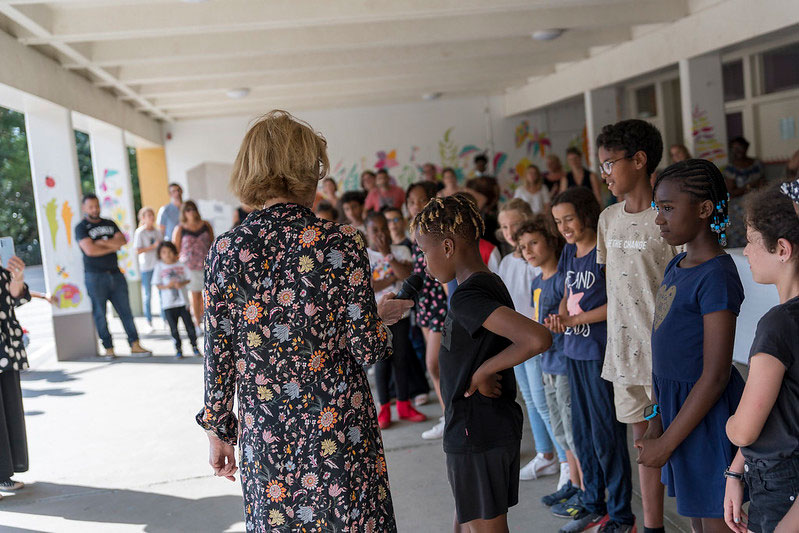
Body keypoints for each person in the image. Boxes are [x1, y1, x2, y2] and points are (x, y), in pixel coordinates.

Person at [197, 110, 413, 532]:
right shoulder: (343, 242)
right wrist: (379, 319)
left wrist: (218, 431)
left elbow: (218, 352)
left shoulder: (226, 250)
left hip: (268, 431)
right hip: (339, 426)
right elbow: (367, 346)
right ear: (306, 171)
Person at [411, 193, 552, 533]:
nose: (424, 263)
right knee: (469, 519)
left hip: (478, 430)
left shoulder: (469, 296)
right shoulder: (485, 283)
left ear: (447, 247)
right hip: (479, 429)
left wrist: (484, 370)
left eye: (423, 252)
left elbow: (537, 338)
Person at [638, 159, 745, 532]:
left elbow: (715, 375)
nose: (659, 219)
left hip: (706, 418)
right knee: (697, 521)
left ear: (703, 209)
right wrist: (656, 420)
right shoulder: (677, 264)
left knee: (717, 520)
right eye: (658, 209)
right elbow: (664, 356)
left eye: (667, 208)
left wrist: (667, 442)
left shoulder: (716, 274)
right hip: (677, 414)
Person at [595, 119, 681, 533]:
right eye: (602, 167)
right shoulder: (608, 219)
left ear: (640, 160)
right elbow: (615, 289)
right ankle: (652, 527)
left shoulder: (668, 219)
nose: (605, 174)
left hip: (666, 355)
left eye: (609, 164)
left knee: (678, 443)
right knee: (643, 447)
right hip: (624, 355)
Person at [547, 187, 635, 533]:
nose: (564, 227)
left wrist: (572, 321)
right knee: (582, 435)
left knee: (607, 437)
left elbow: (616, 303)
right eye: (558, 221)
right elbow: (567, 296)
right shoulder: (569, 251)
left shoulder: (604, 249)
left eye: (568, 218)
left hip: (599, 355)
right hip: (572, 352)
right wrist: (558, 317)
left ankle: (621, 514)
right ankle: (593, 504)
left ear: (586, 214)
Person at [723, 185, 799, 533]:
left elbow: (746, 427)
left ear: (782, 249)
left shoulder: (778, 324)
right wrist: (737, 468)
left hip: (780, 483)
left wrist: (729, 424)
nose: (748, 250)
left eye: (752, 240)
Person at [515, 218, 583, 506]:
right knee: (559, 429)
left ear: (550, 242)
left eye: (534, 243)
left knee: (571, 429)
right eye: (522, 247)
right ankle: (573, 483)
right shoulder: (535, 281)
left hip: (564, 361)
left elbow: (564, 320)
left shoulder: (562, 279)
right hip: (547, 364)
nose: (528, 251)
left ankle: (583, 489)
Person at [498, 199, 564, 482]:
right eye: (504, 226)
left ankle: (565, 461)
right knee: (531, 401)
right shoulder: (506, 261)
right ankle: (545, 454)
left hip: (535, 343)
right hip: (515, 343)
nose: (510, 231)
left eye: (514, 224)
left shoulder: (535, 261)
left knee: (544, 402)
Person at [365, 211, 427, 429]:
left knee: (402, 358)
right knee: (382, 361)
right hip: (377, 317)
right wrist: (391, 276)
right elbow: (369, 287)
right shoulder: (364, 255)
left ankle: (404, 404)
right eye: (375, 230)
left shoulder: (401, 250)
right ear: (367, 231)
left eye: (384, 228)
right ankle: (384, 409)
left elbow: (407, 276)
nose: (381, 233)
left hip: (401, 314)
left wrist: (388, 254)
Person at [75, 194, 151, 358]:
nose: (95, 209)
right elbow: (90, 250)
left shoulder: (109, 223)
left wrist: (100, 243)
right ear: (84, 208)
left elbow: (122, 242)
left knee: (126, 311)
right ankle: (108, 348)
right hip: (95, 277)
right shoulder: (81, 227)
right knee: (100, 314)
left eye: (96, 206)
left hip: (116, 274)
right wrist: (111, 245)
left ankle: (135, 344)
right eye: (90, 207)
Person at [406, 181, 450, 440]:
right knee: (435, 366)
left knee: (434, 363)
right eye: (411, 201)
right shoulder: (414, 231)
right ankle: (447, 415)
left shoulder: (436, 230)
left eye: (421, 200)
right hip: (424, 303)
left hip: (439, 303)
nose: (415, 206)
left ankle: (452, 415)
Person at [0, 255, 30, 496]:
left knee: (8, 410)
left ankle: (3, 473)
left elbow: (12, 299)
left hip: (5, 346)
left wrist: (17, 279)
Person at [172, 200, 213, 333]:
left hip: (206, 264)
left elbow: (212, 243)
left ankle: (207, 318)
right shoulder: (180, 229)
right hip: (190, 266)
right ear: (183, 212)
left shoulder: (205, 225)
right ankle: (197, 322)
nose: (191, 212)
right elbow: (175, 249)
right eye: (187, 209)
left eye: (193, 209)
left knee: (208, 294)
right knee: (195, 294)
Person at [153, 242, 199, 359]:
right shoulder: (159, 266)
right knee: (174, 328)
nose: (167, 255)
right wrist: (167, 286)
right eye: (164, 252)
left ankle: (194, 346)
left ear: (174, 252)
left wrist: (181, 283)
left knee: (189, 326)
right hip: (168, 304)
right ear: (160, 254)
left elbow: (188, 279)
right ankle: (178, 349)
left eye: (169, 252)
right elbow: (157, 284)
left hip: (183, 303)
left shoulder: (181, 265)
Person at [724, 136, 765, 248]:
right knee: (740, 236)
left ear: (746, 148)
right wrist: (750, 185)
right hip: (738, 208)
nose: (737, 151)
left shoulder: (756, 164)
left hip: (757, 202)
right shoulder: (730, 169)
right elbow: (731, 192)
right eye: (734, 148)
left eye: (740, 148)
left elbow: (763, 182)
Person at [133, 207, 162, 332]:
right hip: (146, 267)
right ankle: (148, 321)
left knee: (161, 293)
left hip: (158, 265)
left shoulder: (157, 231)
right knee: (147, 294)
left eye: (152, 215)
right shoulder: (140, 232)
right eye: (149, 215)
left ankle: (165, 320)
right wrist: (152, 247)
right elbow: (138, 250)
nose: (152, 218)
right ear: (143, 218)